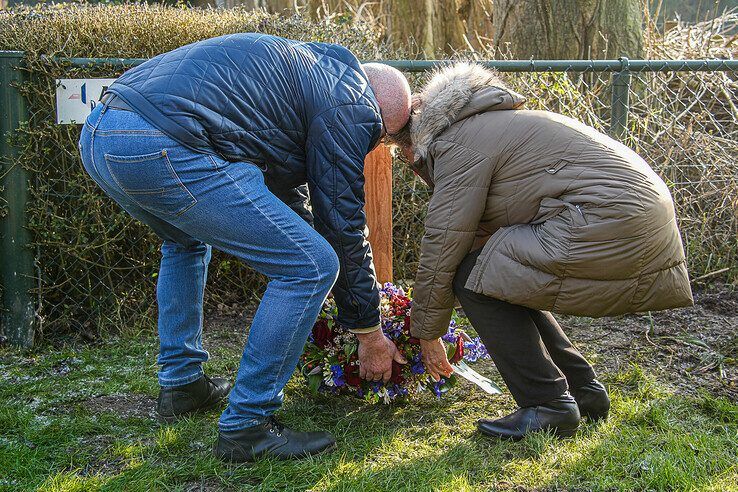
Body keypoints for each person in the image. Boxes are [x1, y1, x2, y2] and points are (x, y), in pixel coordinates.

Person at [78, 33, 411, 462]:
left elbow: (287, 195)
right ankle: (248, 425)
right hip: (163, 142)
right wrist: (368, 330)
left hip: (103, 133)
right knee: (310, 267)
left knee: (184, 244)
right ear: (382, 114)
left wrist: (339, 298)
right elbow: (343, 226)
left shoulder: (315, 75)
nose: (377, 144)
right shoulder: (353, 106)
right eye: (384, 139)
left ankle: (182, 385)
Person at [388, 62, 693, 440]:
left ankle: (548, 403)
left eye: (403, 157)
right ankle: (583, 391)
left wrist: (426, 334)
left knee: (472, 279)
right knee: (499, 272)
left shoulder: (457, 143)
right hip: (633, 214)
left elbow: (442, 241)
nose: (409, 167)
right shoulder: (486, 125)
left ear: (410, 140)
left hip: (609, 219)